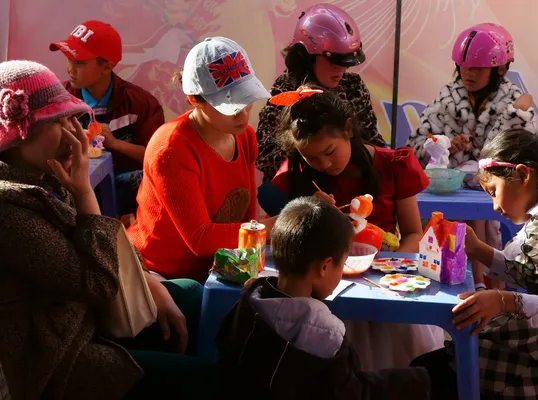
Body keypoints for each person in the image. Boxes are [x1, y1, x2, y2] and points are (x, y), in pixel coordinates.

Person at [0, 60, 213, 400]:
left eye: (74, 118)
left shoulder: (47, 177)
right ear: (16, 136)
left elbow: (107, 255)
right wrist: (85, 191)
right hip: (63, 355)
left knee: (191, 294)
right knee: (211, 380)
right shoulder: (9, 210)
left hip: (88, 321)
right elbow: (98, 283)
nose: (76, 133)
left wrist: (150, 285)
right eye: (59, 121)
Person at [411, 129, 538, 400]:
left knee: (429, 373)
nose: (495, 207)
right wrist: (478, 249)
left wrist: (505, 301)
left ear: (524, 175)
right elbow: (531, 270)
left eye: (493, 192)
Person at [267, 87, 444, 369]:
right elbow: (278, 236)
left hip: (384, 282)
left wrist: (389, 264)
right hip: (326, 290)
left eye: (329, 152)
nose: (323, 165)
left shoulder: (393, 165)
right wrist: (306, 210)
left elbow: (413, 233)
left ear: (348, 129)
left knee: (393, 361)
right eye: (311, 158)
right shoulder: (296, 174)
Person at [216, 196, 431, 399]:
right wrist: (420, 381)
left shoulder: (246, 303)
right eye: (343, 262)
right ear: (325, 266)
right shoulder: (326, 333)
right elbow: (350, 393)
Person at [128, 37, 275, 283]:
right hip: (161, 275)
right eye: (231, 106)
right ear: (195, 99)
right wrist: (272, 228)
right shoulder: (171, 149)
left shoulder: (245, 135)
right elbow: (201, 239)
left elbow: (247, 217)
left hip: (218, 265)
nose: (243, 114)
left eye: (247, 101)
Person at [405, 22, 536, 289]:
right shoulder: (447, 98)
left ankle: (487, 288)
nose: (469, 73)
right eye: (464, 66)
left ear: (500, 69)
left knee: (484, 216)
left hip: (491, 195)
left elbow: (515, 157)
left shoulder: (514, 103)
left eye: (477, 67)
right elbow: (416, 145)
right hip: (446, 190)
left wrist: (514, 116)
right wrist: (445, 147)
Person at [256, 3, 386, 216]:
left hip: (350, 186)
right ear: (306, 56)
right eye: (334, 61)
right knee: (270, 193)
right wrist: (313, 157)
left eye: (346, 62)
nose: (341, 69)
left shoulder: (354, 86)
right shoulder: (285, 91)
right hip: (301, 190)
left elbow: (374, 143)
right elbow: (265, 157)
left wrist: (342, 162)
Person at [50, 20, 165, 216]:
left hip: (120, 184)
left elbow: (157, 158)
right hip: (70, 182)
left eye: (80, 62)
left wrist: (114, 143)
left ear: (106, 66)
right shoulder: (58, 100)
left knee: (146, 180)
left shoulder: (141, 103)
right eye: (69, 59)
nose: (70, 69)